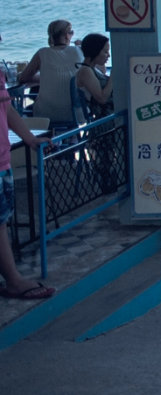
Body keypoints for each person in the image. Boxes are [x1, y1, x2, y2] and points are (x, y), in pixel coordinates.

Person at [0, 32, 54, 300]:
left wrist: (30, 139)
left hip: (3, 159)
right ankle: (13, 280)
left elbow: (8, 110)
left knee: (2, 221)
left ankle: (13, 279)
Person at [21, 19, 81, 128]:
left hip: (46, 114)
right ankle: (72, 138)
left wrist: (45, 77)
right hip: (76, 114)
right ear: (67, 36)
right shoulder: (79, 51)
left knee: (24, 109)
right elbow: (98, 72)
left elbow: (23, 78)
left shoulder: (42, 53)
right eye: (71, 32)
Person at [74, 33, 114, 121]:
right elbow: (102, 98)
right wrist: (113, 77)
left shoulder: (94, 69)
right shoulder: (85, 71)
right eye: (105, 52)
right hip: (105, 120)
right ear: (95, 51)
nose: (108, 55)